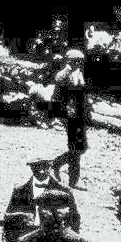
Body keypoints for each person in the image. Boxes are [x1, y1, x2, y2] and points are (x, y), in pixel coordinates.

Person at [6, 150, 80, 232]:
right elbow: (9, 219)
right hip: (25, 239)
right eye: (37, 167)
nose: (41, 171)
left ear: (51, 166)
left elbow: (74, 220)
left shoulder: (64, 191)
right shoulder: (19, 191)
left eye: (45, 166)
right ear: (31, 168)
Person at [53, 48, 90, 188]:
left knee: (81, 147)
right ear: (71, 61)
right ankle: (72, 180)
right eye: (77, 61)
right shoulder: (64, 74)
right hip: (70, 115)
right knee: (76, 148)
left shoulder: (78, 74)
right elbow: (57, 92)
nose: (80, 63)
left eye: (80, 61)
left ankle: (57, 164)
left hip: (80, 114)